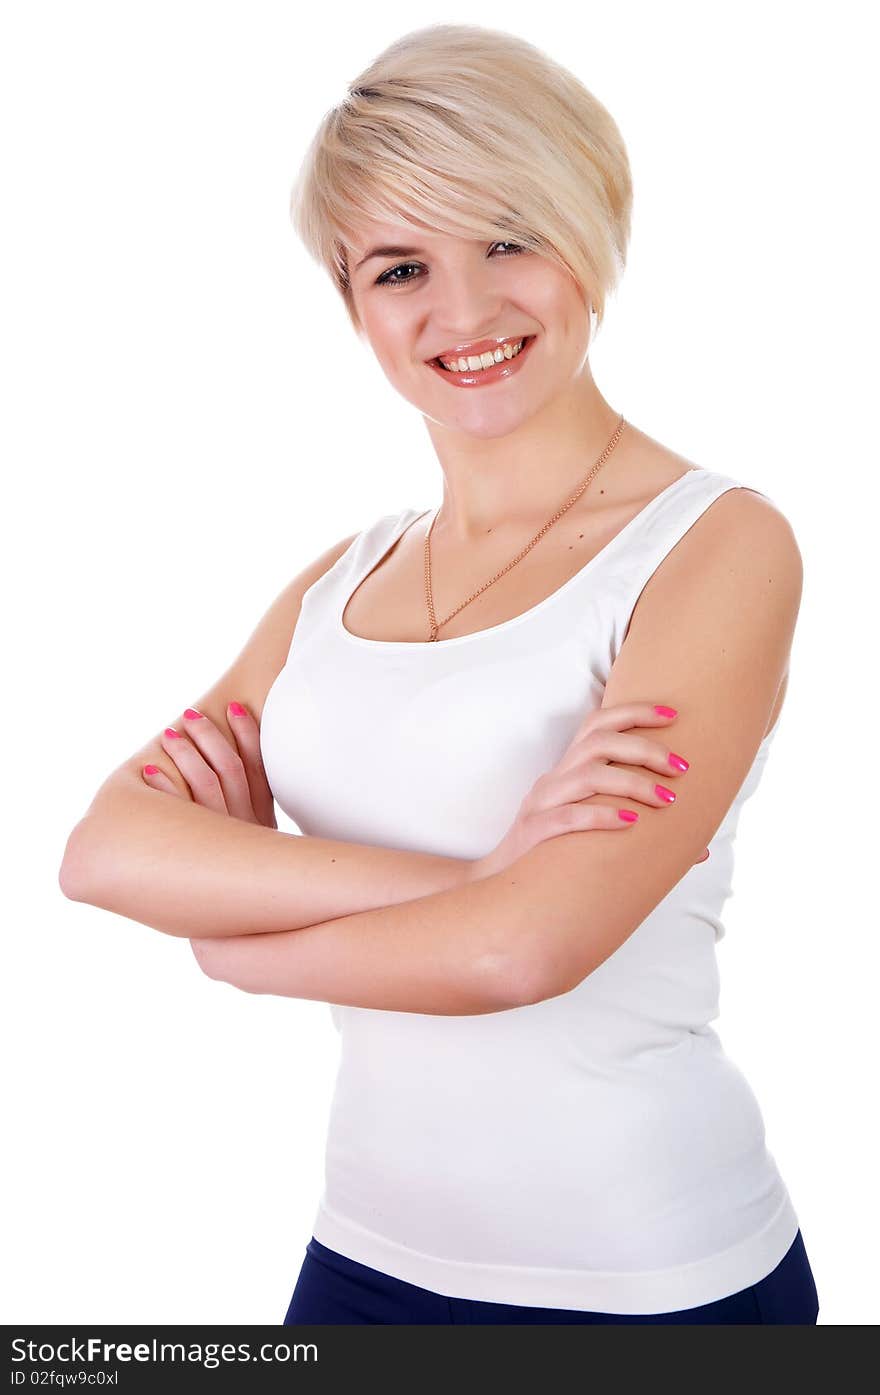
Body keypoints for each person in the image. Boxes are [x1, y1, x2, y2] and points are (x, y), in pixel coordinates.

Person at [59, 24, 819, 1324]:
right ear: (353, 304)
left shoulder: (714, 547)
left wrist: (238, 950)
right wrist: (477, 880)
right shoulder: (338, 581)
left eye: (508, 239)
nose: (462, 312)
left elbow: (528, 954)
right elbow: (106, 853)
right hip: (363, 1256)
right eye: (402, 266)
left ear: (597, 228)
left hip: (650, 1282)